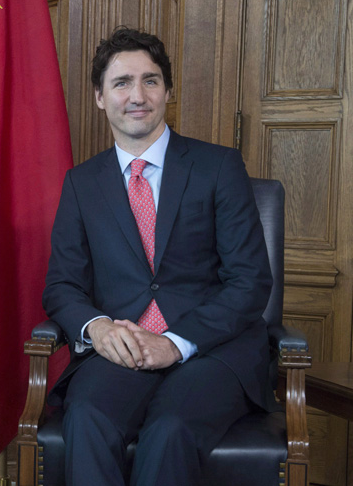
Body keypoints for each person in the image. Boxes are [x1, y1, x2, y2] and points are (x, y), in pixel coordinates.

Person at [43, 27, 274, 486]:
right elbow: (62, 285)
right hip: (121, 349)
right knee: (87, 418)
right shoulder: (81, 184)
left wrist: (175, 342)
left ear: (168, 91)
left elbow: (250, 281)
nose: (137, 95)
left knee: (169, 430)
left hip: (210, 352)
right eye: (121, 82)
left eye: (150, 80)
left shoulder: (219, 167)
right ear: (99, 97)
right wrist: (99, 328)